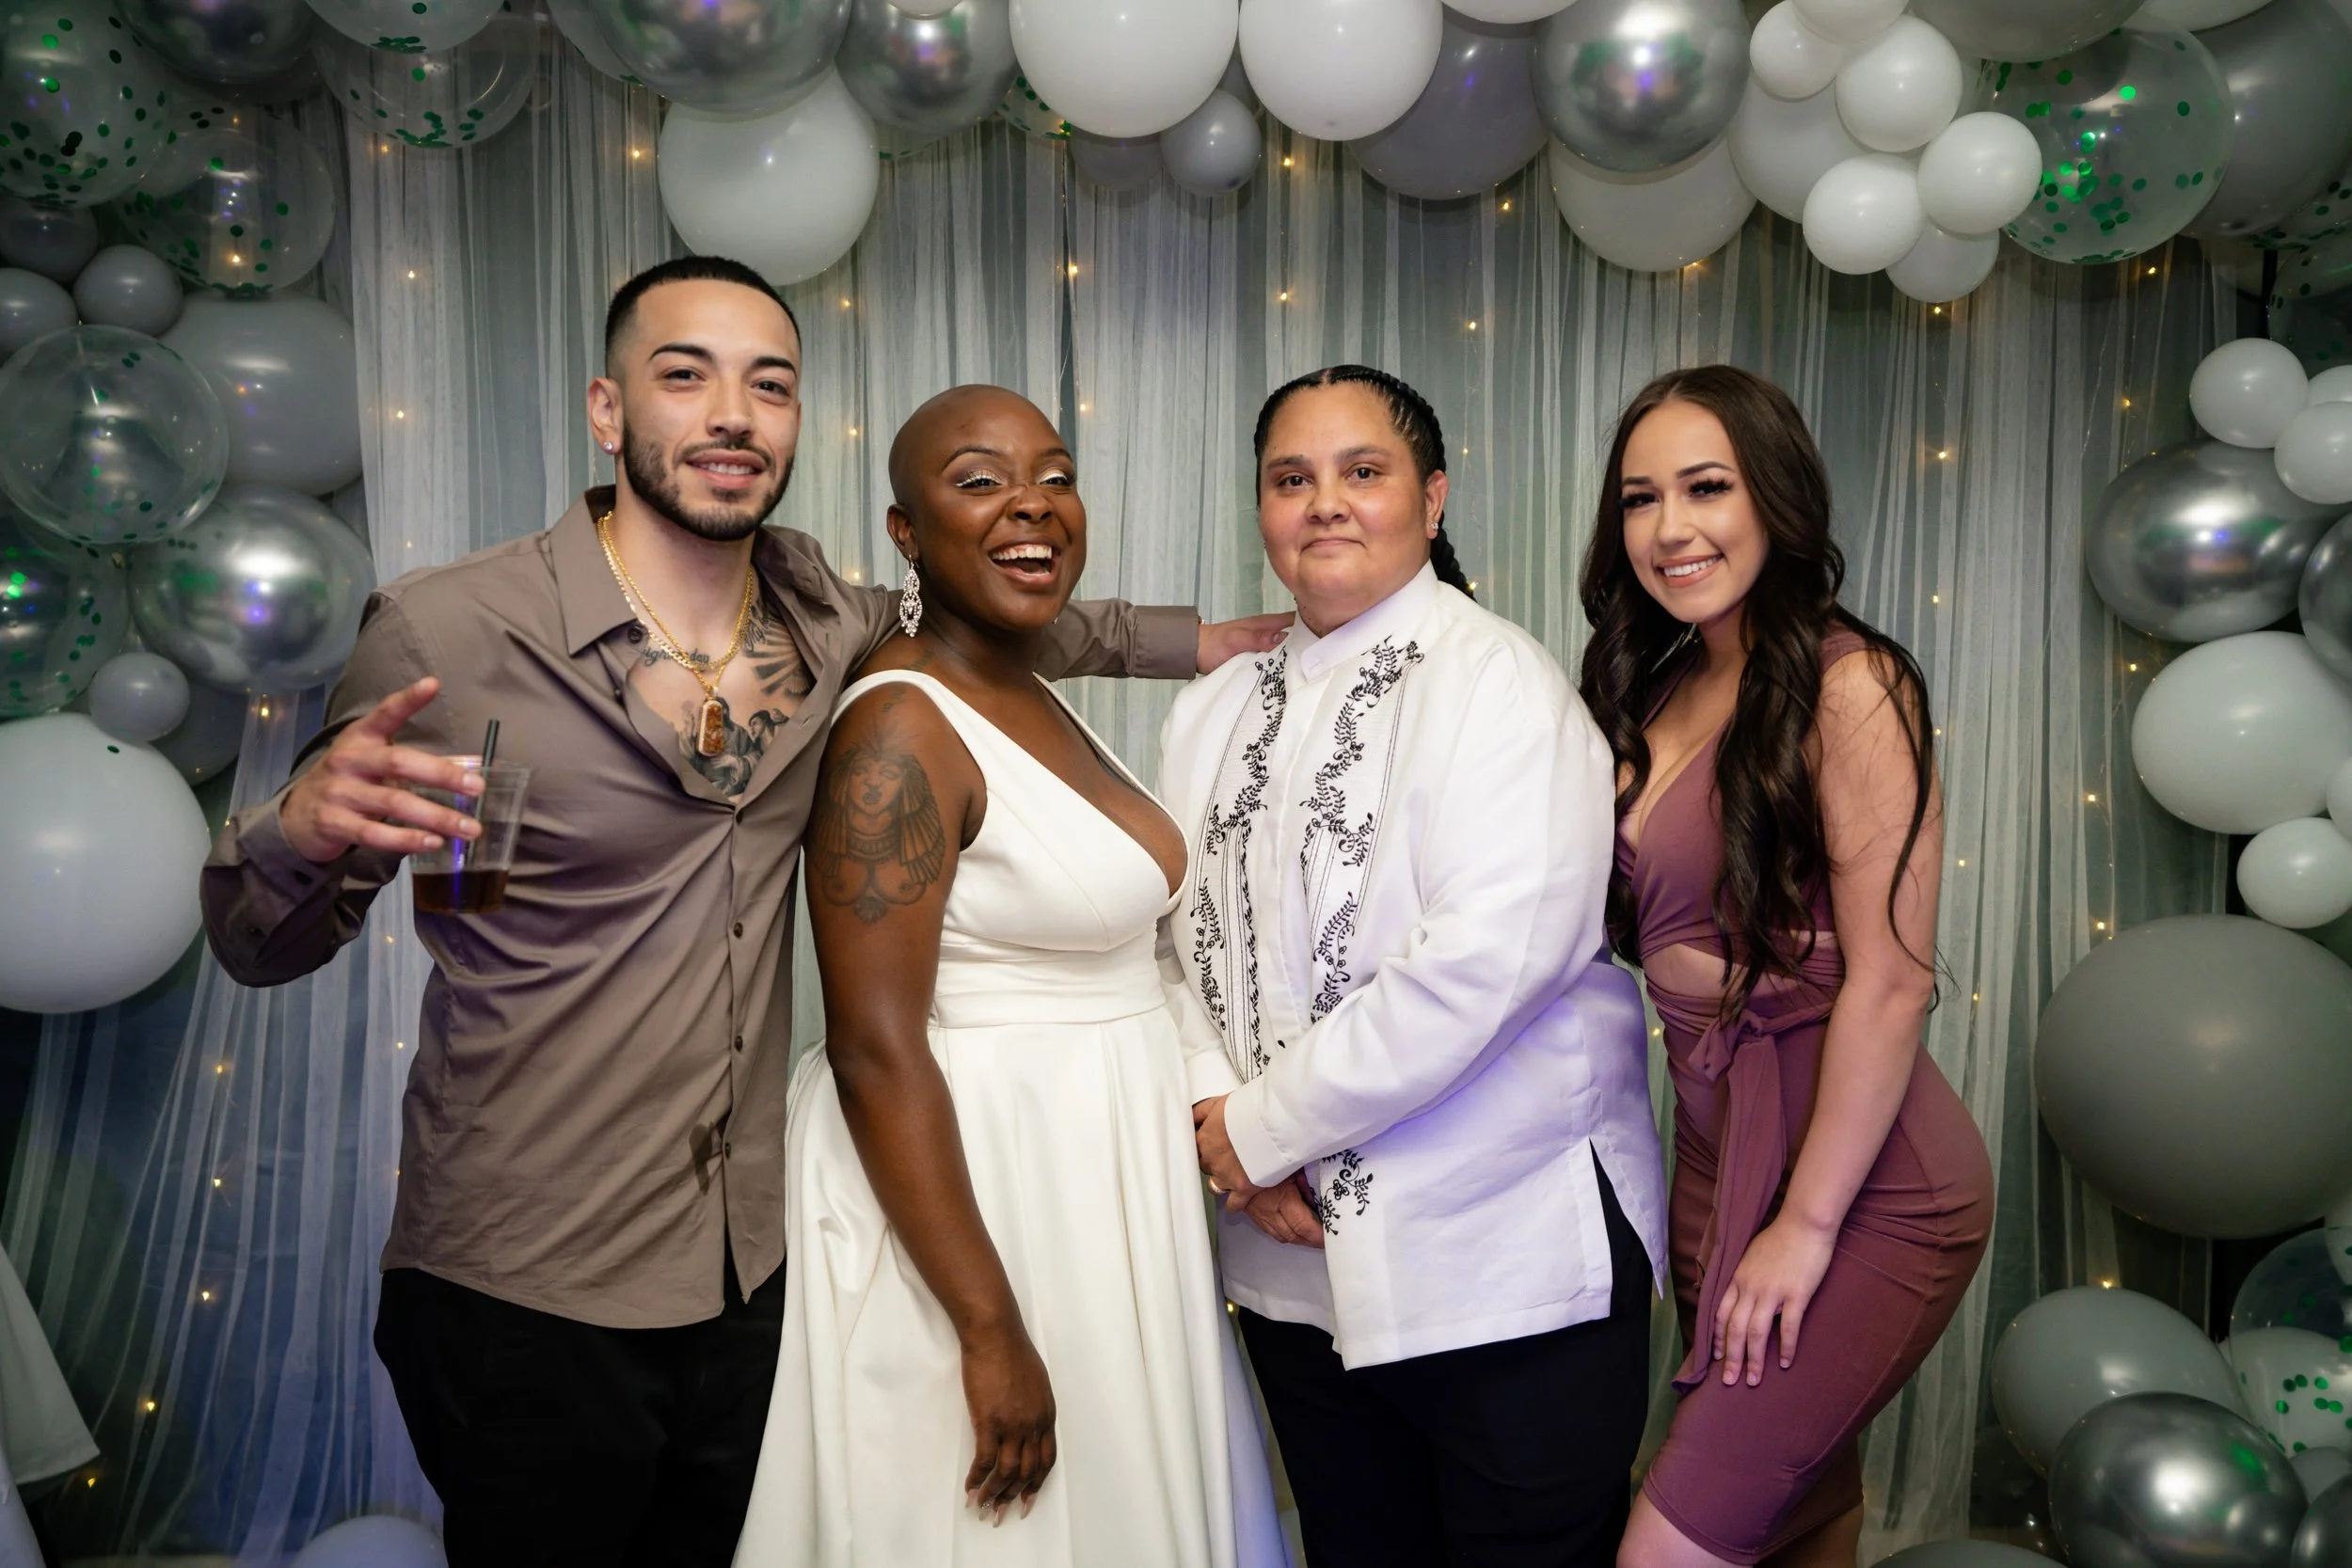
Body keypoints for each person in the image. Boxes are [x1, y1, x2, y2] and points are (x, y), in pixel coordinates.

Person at [198, 257, 1287, 1568]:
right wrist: (297, 832)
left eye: (768, 385)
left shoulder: (815, 616)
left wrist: (1205, 641)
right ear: (608, 410)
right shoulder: (452, 633)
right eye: (685, 375)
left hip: (754, 1268)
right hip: (525, 1277)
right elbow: (260, 946)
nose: (731, 413)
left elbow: (990, 608)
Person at [731, 385, 1287, 1567]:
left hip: (1101, 1182)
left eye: (1055, 475)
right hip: (991, 1191)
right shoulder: (898, 731)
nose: (1030, 503)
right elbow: (873, 1047)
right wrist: (988, 1328)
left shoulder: (1025, 684)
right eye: (979, 480)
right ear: (905, 531)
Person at [1170, 365, 1668, 1568]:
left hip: (1501, 1253)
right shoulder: (1212, 707)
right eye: (1291, 478)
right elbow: (1164, 940)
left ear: (1432, 497)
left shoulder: (1501, 682)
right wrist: (1215, 1120)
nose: (1325, 502)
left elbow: (1487, 961)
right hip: (1287, 1265)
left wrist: (1260, 1130)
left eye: (1363, 471)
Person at [1581, 366, 1992, 1568]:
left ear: (1775, 496)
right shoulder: (1656, 680)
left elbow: (1893, 981)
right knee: (1798, 1511)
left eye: (1706, 487)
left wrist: (1807, 1226)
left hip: (1871, 1189)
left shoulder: (1853, 683)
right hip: (1715, 1162)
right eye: (1641, 498)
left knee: (1669, 1544)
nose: (1670, 527)